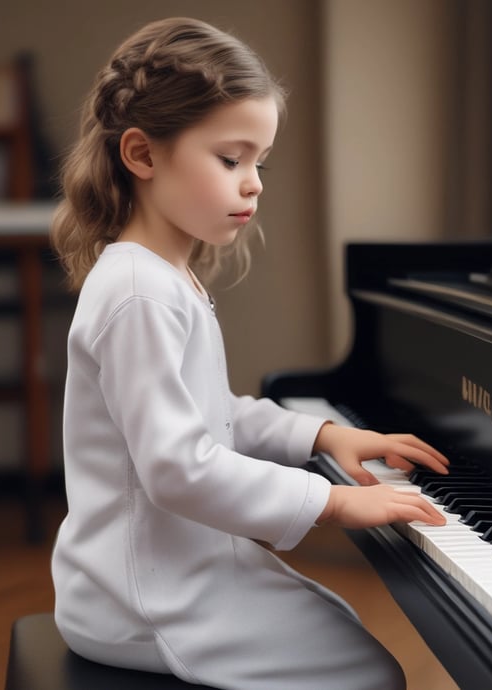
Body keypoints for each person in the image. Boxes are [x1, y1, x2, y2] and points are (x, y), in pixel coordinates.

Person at [49, 17, 449, 690]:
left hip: (177, 566)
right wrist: (334, 502)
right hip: (142, 598)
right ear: (142, 156)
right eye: (231, 159)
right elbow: (178, 468)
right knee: (369, 674)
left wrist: (322, 434)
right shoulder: (138, 291)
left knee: (345, 632)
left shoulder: (159, 277)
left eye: (259, 161)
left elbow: (213, 415)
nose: (254, 182)